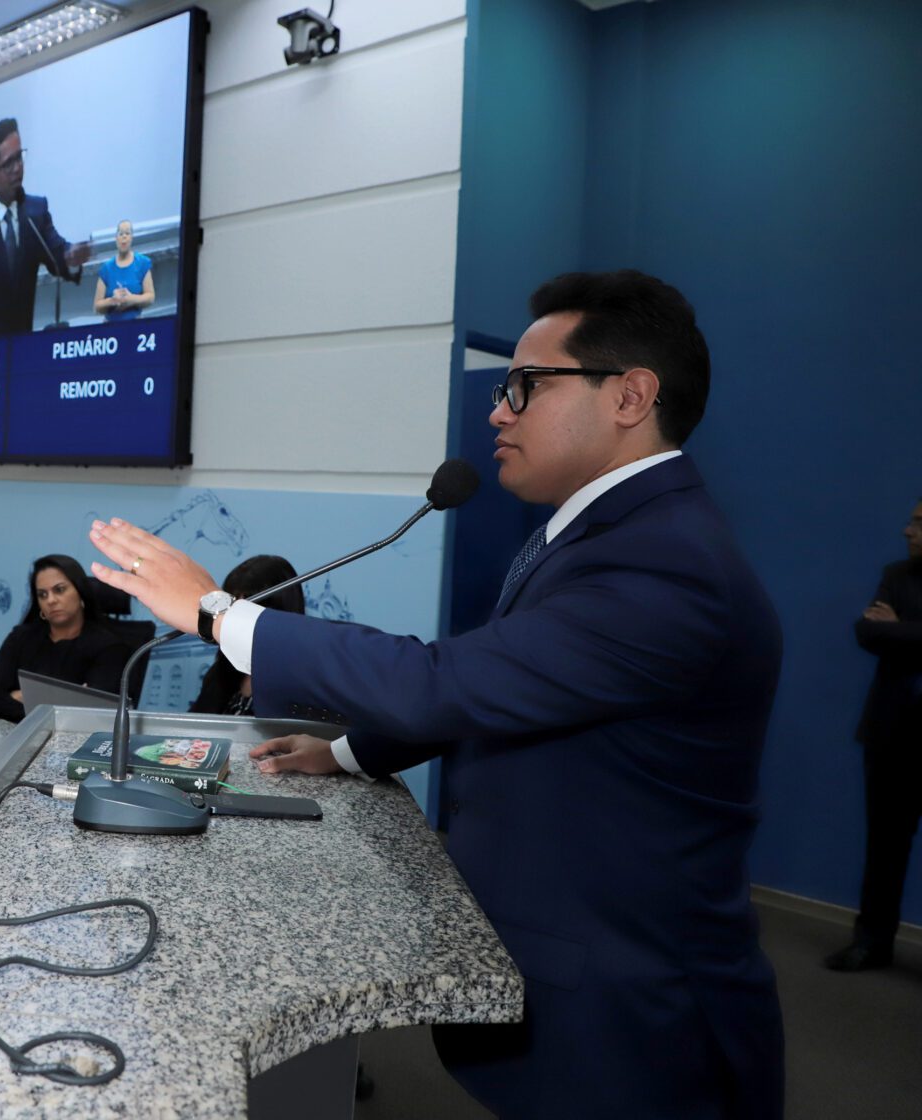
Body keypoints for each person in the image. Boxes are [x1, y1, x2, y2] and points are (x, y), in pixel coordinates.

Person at [88, 270, 785, 1119]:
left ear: (630, 396)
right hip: (581, 965)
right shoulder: (603, 536)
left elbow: (443, 682)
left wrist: (219, 614)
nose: (499, 412)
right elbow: (504, 690)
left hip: (638, 1008)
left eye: (526, 386)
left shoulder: (667, 564)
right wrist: (349, 752)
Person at [824, 498, 922, 972]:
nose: (907, 530)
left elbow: (888, 635)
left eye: (919, 522)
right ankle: (872, 942)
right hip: (892, 732)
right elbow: (867, 632)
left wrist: (900, 631)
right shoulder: (896, 574)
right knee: (884, 847)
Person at [0, 117, 90, 340]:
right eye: (8, 163)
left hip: (24, 345)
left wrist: (71, 258)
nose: (17, 168)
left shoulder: (35, 213)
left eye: (19, 158)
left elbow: (57, 254)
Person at [0, 554, 130, 722]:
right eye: (42, 594)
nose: (50, 600)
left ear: (80, 592)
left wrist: (23, 697)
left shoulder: (109, 647)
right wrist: (64, 701)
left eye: (59, 590)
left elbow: (92, 716)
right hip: (14, 733)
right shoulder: (21, 637)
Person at [188, 555, 303, 717]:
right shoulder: (219, 672)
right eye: (232, 607)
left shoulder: (302, 680)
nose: (235, 620)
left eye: (249, 609)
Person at [93, 220, 156, 321]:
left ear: (132, 238)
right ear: (116, 238)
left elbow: (150, 297)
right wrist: (113, 301)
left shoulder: (143, 263)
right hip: (110, 326)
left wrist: (131, 299)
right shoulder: (106, 268)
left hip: (136, 323)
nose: (124, 237)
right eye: (121, 234)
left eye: (127, 233)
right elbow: (97, 306)